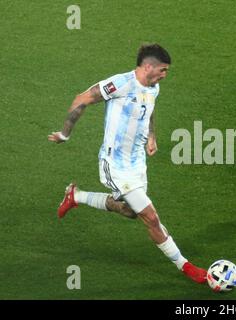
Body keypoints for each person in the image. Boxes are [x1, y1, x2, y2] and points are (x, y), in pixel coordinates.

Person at [48, 43, 207, 283]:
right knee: (151, 217)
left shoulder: (154, 87)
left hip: (137, 162)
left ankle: (76, 196)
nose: (165, 75)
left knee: (131, 212)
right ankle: (185, 266)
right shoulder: (120, 84)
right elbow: (82, 98)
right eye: (163, 70)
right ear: (148, 66)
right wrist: (65, 133)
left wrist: (151, 135)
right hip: (115, 164)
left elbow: (149, 108)